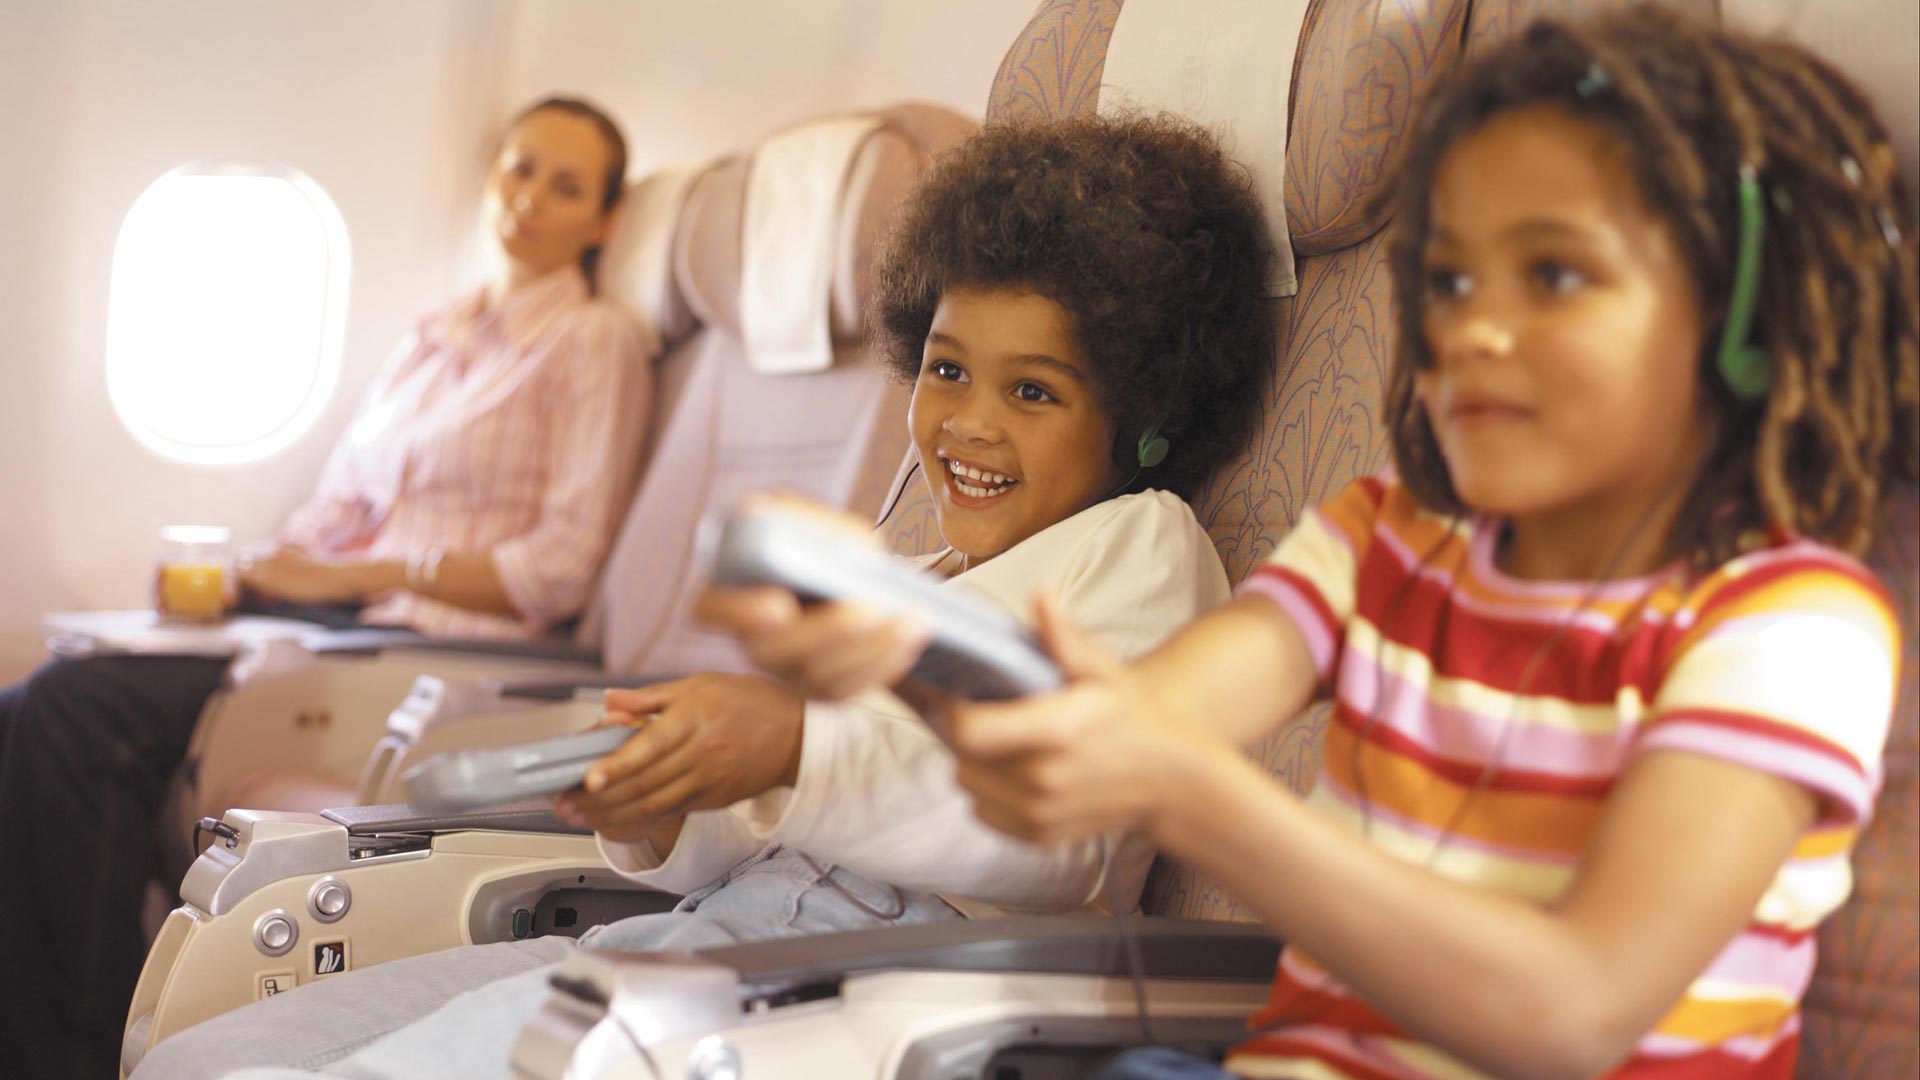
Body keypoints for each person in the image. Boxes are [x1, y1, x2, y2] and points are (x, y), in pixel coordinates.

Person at [714, 8, 1918, 1080]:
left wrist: (1197, 797)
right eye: (1449, 279)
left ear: (1740, 321)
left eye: (1553, 275)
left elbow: (1575, 1015)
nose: (1475, 331)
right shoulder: (1385, 537)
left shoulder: (1789, 630)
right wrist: (898, 646)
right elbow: (1097, 743)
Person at [129, 112, 1278, 1079]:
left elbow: (1051, 835)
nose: (969, 424)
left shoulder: (1142, 543)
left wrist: (788, 748)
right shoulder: (914, 587)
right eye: (946, 369)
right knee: (205, 1056)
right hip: (710, 942)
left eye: (1033, 390)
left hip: (877, 993)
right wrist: (658, 809)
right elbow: (764, 837)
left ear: (1142, 410)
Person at [0, 95, 654, 1080]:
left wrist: (354, 574)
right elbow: (339, 508)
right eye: (519, 168)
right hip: (320, 616)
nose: (530, 198)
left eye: (566, 185)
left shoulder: (594, 342)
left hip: (408, 646)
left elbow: (557, 566)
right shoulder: (435, 338)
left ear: (603, 220)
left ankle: (68, 1059)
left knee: (74, 713)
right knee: (28, 698)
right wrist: (252, 572)